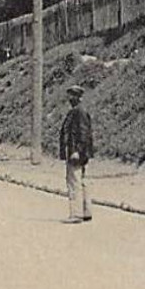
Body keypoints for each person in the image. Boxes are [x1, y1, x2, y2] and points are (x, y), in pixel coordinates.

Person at [59, 83, 94, 223]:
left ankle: (76, 214)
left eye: (72, 95)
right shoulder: (78, 111)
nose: (70, 98)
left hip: (77, 153)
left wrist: (76, 151)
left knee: (74, 182)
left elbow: (83, 134)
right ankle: (86, 211)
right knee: (82, 181)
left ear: (78, 97)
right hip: (81, 152)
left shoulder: (78, 112)